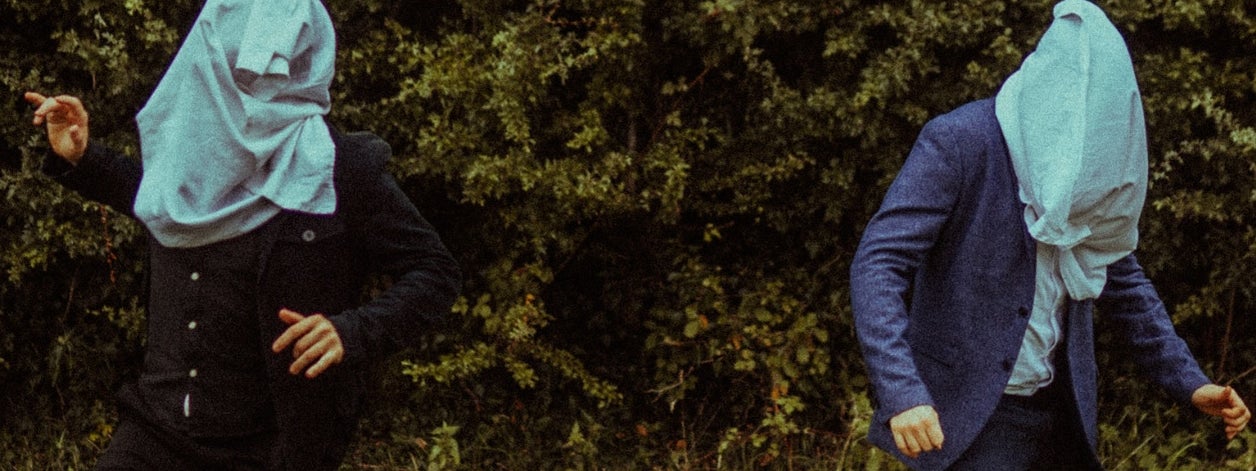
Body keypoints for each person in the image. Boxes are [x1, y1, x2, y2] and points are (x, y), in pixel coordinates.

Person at [24, 0, 461, 469]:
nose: (255, 87)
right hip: (155, 430)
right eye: (241, 70)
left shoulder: (340, 170)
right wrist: (82, 159)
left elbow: (435, 272)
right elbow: (161, 207)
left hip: (268, 449)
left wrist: (351, 331)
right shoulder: (186, 158)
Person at [849, 1, 1250, 469]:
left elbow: (1120, 277)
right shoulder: (960, 141)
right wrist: (903, 392)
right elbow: (879, 262)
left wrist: (1190, 382)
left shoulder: (1088, 168)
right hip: (969, 422)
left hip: (1061, 416)